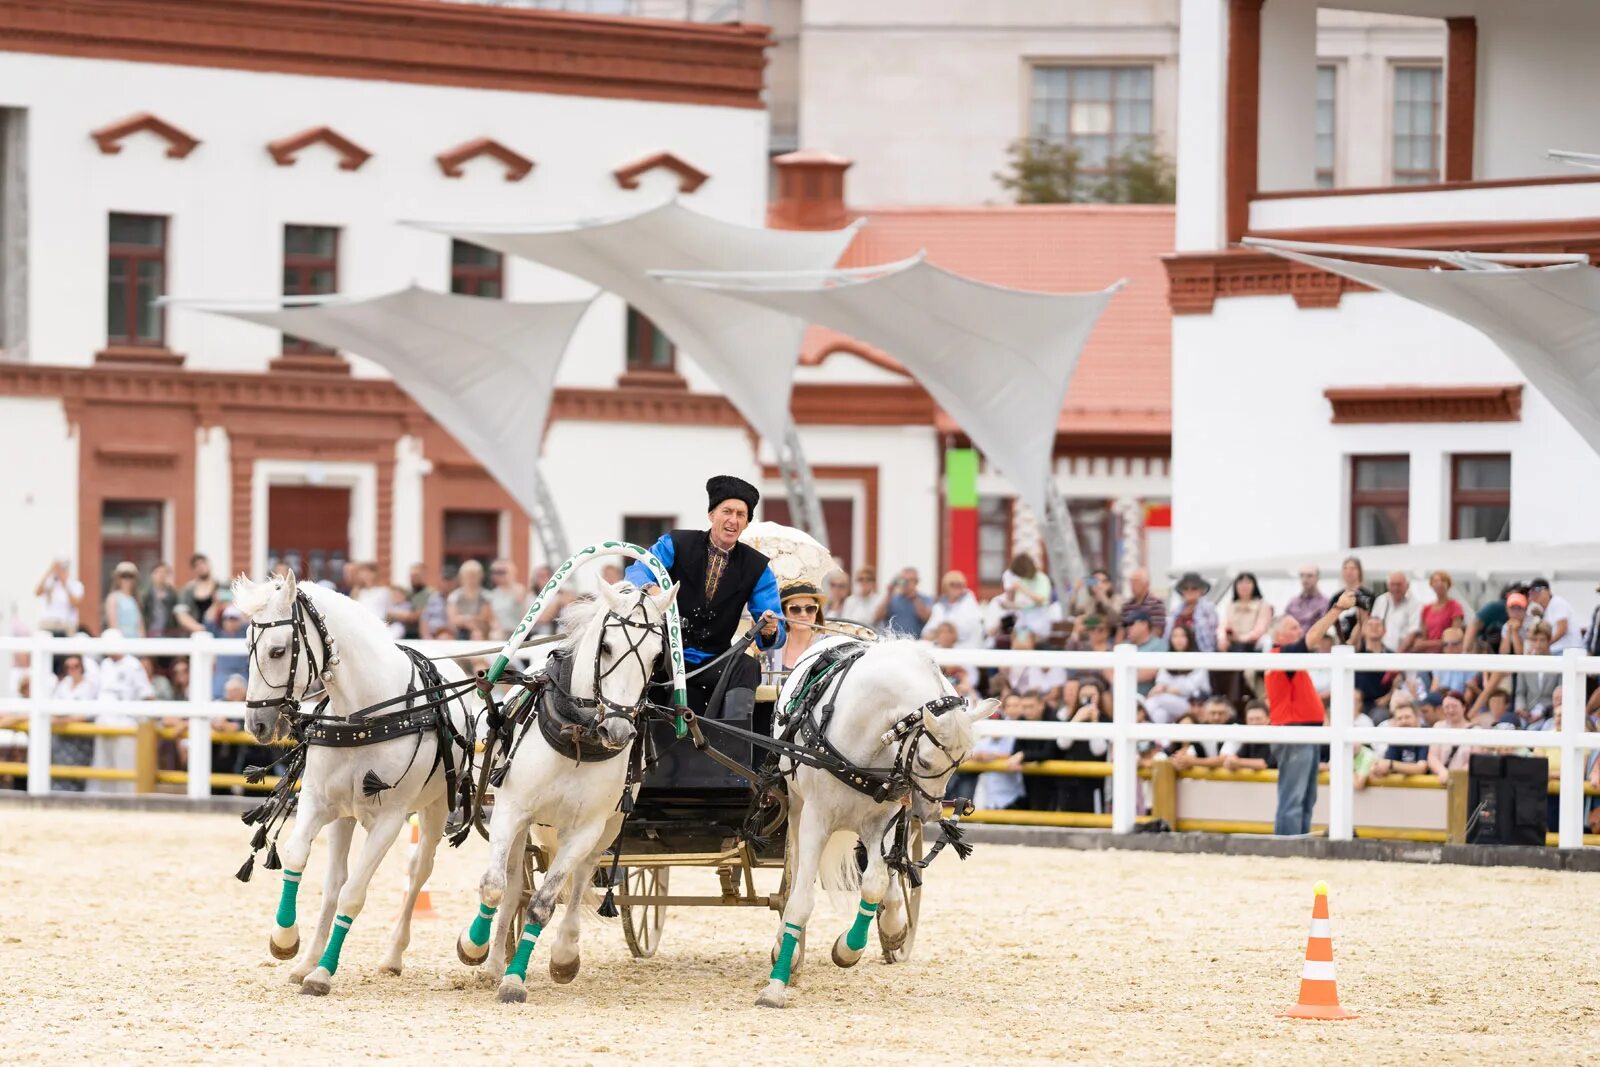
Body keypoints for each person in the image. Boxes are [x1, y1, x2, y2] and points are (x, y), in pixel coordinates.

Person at [626, 475, 783, 720]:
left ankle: (734, 742)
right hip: (666, 656)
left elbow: (776, 629)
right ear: (711, 515)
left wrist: (769, 628)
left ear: (746, 523)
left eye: (741, 515)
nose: (733, 520)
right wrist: (650, 587)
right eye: (727, 511)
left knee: (748, 667)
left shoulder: (758, 567)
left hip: (715, 661)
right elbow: (637, 570)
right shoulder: (676, 543)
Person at [1264, 593, 1345, 836]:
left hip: (1304, 732)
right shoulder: (1283, 656)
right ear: (1279, 635)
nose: (1299, 630)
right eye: (1293, 627)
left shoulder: (1286, 659)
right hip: (1295, 732)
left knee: (1305, 798)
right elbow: (1312, 639)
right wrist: (1336, 611)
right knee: (1295, 797)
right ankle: (1289, 845)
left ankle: (1296, 843)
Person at [91, 631, 155, 795]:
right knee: (103, 765)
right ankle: (103, 800)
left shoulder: (133, 664)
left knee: (125, 765)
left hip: (125, 724)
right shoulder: (105, 664)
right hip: (103, 722)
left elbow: (146, 694)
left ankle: (128, 800)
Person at [1217, 571, 1272, 709]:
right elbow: (1223, 625)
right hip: (1233, 646)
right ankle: (1221, 698)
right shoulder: (1230, 605)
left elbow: (1260, 629)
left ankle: (1238, 700)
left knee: (1244, 665)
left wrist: (1241, 638)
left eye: (1248, 582)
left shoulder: (1262, 605)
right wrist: (1223, 638)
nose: (1244, 586)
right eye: (1240, 582)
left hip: (1253, 647)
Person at [48, 655, 98, 792]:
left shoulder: (90, 685)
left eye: (76, 666)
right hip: (61, 736)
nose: (72, 670)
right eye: (68, 667)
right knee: (58, 770)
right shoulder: (64, 684)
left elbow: (88, 713)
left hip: (80, 738)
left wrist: (64, 720)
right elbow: (54, 705)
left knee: (77, 773)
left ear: (82, 667)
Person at [1145, 623, 1209, 724]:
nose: (1178, 640)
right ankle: (1162, 739)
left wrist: (1166, 690)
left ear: (1189, 638)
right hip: (1169, 703)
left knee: (1156, 700)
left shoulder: (1198, 659)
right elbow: (1161, 682)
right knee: (1160, 713)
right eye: (1175, 636)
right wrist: (1158, 689)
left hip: (1192, 704)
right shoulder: (1167, 659)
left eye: (1182, 636)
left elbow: (1189, 688)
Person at [766, 579, 825, 674]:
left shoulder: (828, 646)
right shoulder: (770, 647)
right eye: (794, 609)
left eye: (810, 608)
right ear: (783, 613)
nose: (803, 614)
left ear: (816, 612)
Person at [923, 570, 983, 647]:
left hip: (965, 649)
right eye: (952, 584)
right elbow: (926, 632)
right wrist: (939, 632)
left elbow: (968, 628)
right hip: (942, 649)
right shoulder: (939, 607)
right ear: (945, 586)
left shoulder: (969, 603)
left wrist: (945, 630)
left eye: (960, 584)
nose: (956, 587)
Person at [1426, 691, 1475, 784]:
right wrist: (1442, 772)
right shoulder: (1438, 727)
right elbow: (1432, 756)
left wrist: (1455, 776)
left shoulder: (1476, 730)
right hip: (1440, 780)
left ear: (1464, 707)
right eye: (1447, 707)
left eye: (1454, 706)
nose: (1451, 710)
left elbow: (1474, 762)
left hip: (1464, 782)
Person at [999, 553, 1053, 637]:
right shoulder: (1022, 579)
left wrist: (1022, 588)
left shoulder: (1042, 578)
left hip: (1038, 619)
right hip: (1022, 619)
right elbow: (1017, 602)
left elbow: (1041, 599)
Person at [1371, 700, 1429, 778]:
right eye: (1399, 718)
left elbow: (1421, 769)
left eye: (1407, 717)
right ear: (1395, 723)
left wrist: (1391, 764)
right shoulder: (1396, 739)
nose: (1403, 721)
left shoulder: (1426, 736)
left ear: (1417, 719)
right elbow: (1385, 766)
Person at [1165, 572, 1218, 653]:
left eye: (1194, 588)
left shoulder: (1208, 609)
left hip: (1200, 651)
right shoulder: (1175, 611)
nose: (1189, 591)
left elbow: (1211, 636)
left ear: (1201, 590)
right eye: (1186, 588)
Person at [1371, 571, 1422, 652]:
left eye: (1399, 584)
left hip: (1404, 652)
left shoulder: (1415, 604)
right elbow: (1372, 626)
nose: (1395, 588)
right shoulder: (1381, 600)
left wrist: (1397, 656)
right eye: (1392, 584)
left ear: (1407, 586)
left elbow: (1413, 631)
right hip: (1380, 651)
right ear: (1387, 586)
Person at [1528, 578, 1583, 652]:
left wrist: (1544, 645)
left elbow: (1562, 629)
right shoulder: (1546, 609)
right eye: (1532, 591)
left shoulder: (1557, 603)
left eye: (1538, 589)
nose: (1534, 593)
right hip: (1559, 650)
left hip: (1567, 650)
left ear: (1548, 591)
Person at [1414, 570, 1464, 653]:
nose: (1439, 584)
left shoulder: (1455, 606)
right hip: (1429, 654)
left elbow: (1454, 637)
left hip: (1447, 653)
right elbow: (1423, 636)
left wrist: (1426, 644)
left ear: (1448, 585)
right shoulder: (1426, 609)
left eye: (1443, 581)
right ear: (1431, 585)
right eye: (1436, 581)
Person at [874, 567, 932, 638]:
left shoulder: (925, 599)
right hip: (892, 642)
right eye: (903, 580)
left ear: (916, 582)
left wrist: (915, 598)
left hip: (915, 643)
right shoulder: (891, 598)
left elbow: (926, 618)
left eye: (910, 580)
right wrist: (889, 593)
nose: (906, 583)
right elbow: (877, 618)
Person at [446, 560, 495, 640]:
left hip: (482, 631)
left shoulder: (486, 595)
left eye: (474, 575)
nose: (471, 578)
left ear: (480, 576)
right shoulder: (454, 596)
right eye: (468, 575)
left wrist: (464, 619)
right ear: (462, 576)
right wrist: (470, 621)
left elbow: (485, 616)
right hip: (459, 631)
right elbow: (453, 619)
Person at [174, 554, 223, 635]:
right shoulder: (187, 590)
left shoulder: (221, 586)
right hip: (195, 635)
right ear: (193, 570)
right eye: (197, 565)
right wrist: (200, 628)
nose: (201, 567)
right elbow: (181, 614)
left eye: (203, 563)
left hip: (220, 633)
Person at [35, 559, 85, 636]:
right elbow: (37, 592)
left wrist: (64, 583)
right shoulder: (50, 582)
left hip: (66, 623)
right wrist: (49, 572)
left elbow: (75, 602)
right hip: (48, 622)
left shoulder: (75, 585)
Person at [1222, 699, 1275, 772]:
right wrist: (1232, 761)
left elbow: (1265, 764)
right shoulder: (1249, 739)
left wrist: (1238, 762)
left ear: (1268, 719)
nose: (1254, 723)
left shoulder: (1276, 738)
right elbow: (1235, 759)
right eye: (1251, 719)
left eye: (1258, 719)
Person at [1125, 611, 1167, 696]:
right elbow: (1108, 669)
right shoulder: (1124, 645)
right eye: (1127, 625)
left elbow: (1151, 672)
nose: (1128, 628)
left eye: (1131, 624)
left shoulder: (1159, 644)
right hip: (1121, 696)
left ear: (1144, 624)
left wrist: (1121, 676)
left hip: (1147, 698)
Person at [487, 559, 529, 641]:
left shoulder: (519, 589)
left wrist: (509, 574)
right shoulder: (494, 593)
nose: (499, 575)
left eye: (502, 572)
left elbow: (521, 605)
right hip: (499, 634)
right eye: (496, 572)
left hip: (516, 633)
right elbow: (492, 617)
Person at [1119, 567, 1165, 640]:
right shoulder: (1126, 606)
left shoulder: (1156, 604)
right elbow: (1121, 631)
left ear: (1146, 584)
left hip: (1149, 647)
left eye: (1136, 582)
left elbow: (1157, 632)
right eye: (1131, 582)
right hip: (1128, 646)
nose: (1132, 585)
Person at [102, 561, 146, 637]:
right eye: (124, 576)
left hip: (136, 641)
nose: (127, 580)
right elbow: (113, 623)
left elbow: (140, 624)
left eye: (130, 576)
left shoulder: (135, 599)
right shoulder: (113, 598)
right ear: (117, 578)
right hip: (121, 641)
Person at [1282, 566, 1330, 633]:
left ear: (1317, 578)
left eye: (1309, 576)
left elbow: (1323, 629)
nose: (1305, 579)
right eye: (1302, 575)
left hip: (1313, 641)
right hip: (1291, 641)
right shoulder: (1293, 602)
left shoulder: (1325, 603)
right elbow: (1283, 624)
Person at [142, 562, 180, 638]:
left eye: (164, 572)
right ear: (152, 575)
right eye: (158, 572)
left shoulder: (173, 594)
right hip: (151, 633)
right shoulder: (145, 594)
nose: (161, 575)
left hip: (169, 634)